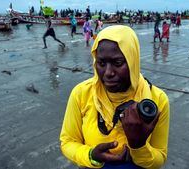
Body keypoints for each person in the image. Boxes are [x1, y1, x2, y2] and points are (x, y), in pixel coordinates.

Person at [60, 25, 170, 169]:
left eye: (117, 63)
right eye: (101, 63)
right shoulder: (81, 94)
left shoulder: (157, 100)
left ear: (133, 61)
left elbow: (159, 158)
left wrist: (138, 146)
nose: (108, 73)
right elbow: (67, 141)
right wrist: (91, 155)